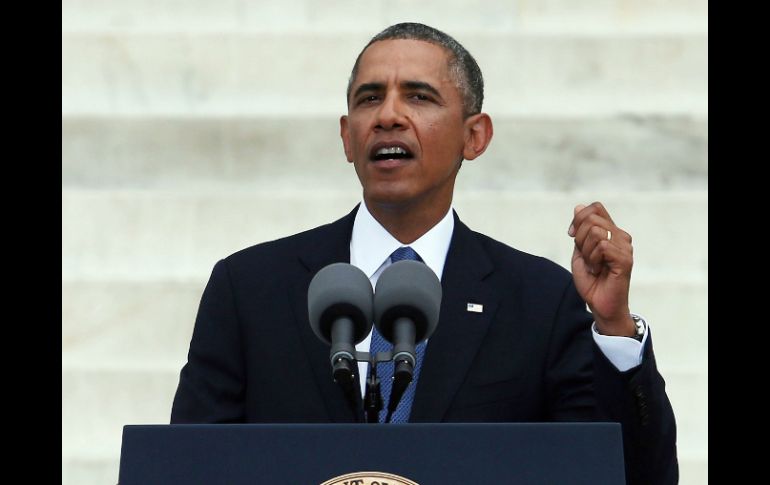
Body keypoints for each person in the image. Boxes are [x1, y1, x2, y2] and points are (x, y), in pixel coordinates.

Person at [171, 23, 678, 484]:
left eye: (419, 96)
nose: (389, 115)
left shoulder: (540, 301)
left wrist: (614, 327)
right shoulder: (249, 288)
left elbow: (631, 476)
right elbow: (188, 468)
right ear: (347, 138)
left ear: (474, 136)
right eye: (370, 99)